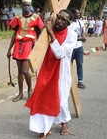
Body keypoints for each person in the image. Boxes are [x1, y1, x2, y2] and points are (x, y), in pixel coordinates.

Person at [25, 9, 76, 138]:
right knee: (43, 97)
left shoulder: (72, 35)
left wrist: (51, 32)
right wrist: (44, 30)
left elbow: (60, 54)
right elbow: (39, 46)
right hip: (46, 68)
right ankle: (45, 128)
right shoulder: (49, 29)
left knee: (61, 101)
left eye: (63, 20)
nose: (59, 21)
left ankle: (64, 122)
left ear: (68, 23)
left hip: (61, 71)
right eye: (58, 17)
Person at [7, 0, 44, 102]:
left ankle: (30, 89)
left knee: (25, 70)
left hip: (29, 44)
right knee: (19, 71)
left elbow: (40, 32)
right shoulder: (18, 18)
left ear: (30, 6)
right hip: (18, 44)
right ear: (22, 6)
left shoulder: (36, 17)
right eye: (24, 5)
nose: (26, 7)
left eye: (28, 5)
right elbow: (15, 34)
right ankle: (20, 93)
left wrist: (38, 48)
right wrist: (9, 49)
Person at [69, 8, 86, 89]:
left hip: (79, 47)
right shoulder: (69, 24)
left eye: (79, 13)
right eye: (77, 13)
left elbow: (83, 31)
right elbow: (69, 37)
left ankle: (80, 81)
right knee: (69, 64)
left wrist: (83, 36)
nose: (79, 14)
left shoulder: (80, 22)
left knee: (80, 64)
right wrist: (80, 39)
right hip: (71, 47)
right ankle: (69, 80)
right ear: (72, 14)